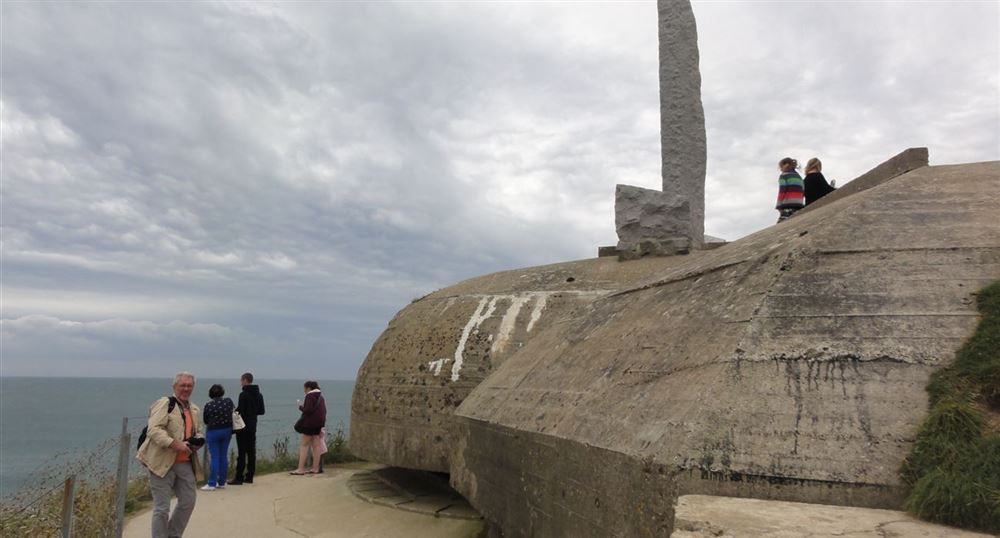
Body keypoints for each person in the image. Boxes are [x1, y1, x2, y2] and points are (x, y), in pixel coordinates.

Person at [137, 372, 204, 538]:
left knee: (188, 501)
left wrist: (198, 441)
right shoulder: (165, 403)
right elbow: (154, 429)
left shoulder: (194, 409)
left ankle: (173, 535)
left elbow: (199, 431)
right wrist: (176, 444)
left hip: (184, 462)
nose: (186, 389)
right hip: (162, 462)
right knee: (162, 508)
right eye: (183, 385)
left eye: (189, 386)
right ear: (174, 386)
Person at [231, 372, 265, 485]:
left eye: (241, 380)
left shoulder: (243, 394)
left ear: (245, 380)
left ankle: (239, 477)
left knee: (242, 452)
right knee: (251, 451)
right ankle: (250, 476)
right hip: (253, 424)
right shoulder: (259, 394)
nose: (241, 382)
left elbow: (240, 410)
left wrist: (234, 412)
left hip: (243, 425)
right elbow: (262, 411)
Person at [201, 384, 234, 491]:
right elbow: (233, 413)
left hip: (213, 431)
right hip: (227, 430)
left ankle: (211, 483)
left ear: (211, 394)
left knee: (214, 457)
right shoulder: (228, 402)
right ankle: (222, 482)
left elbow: (206, 420)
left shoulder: (208, 405)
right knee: (223, 456)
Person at [290, 380, 326, 475]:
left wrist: (300, 407)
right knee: (316, 446)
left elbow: (308, 410)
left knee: (304, 445)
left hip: (309, 424)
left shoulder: (310, 396)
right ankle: (315, 468)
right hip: (319, 424)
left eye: (304, 389)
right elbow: (324, 411)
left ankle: (301, 469)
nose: (304, 391)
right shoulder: (321, 397)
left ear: (309, 388)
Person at [775, 157, 805, 222]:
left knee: (781, 224)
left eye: (781, 167)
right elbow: (803, 189)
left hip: (787, 204)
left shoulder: (784, 176)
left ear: (786, 165)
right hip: (799, 204)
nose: (780, 169)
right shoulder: (798, 176)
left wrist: (779, 205)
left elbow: (782, 191)